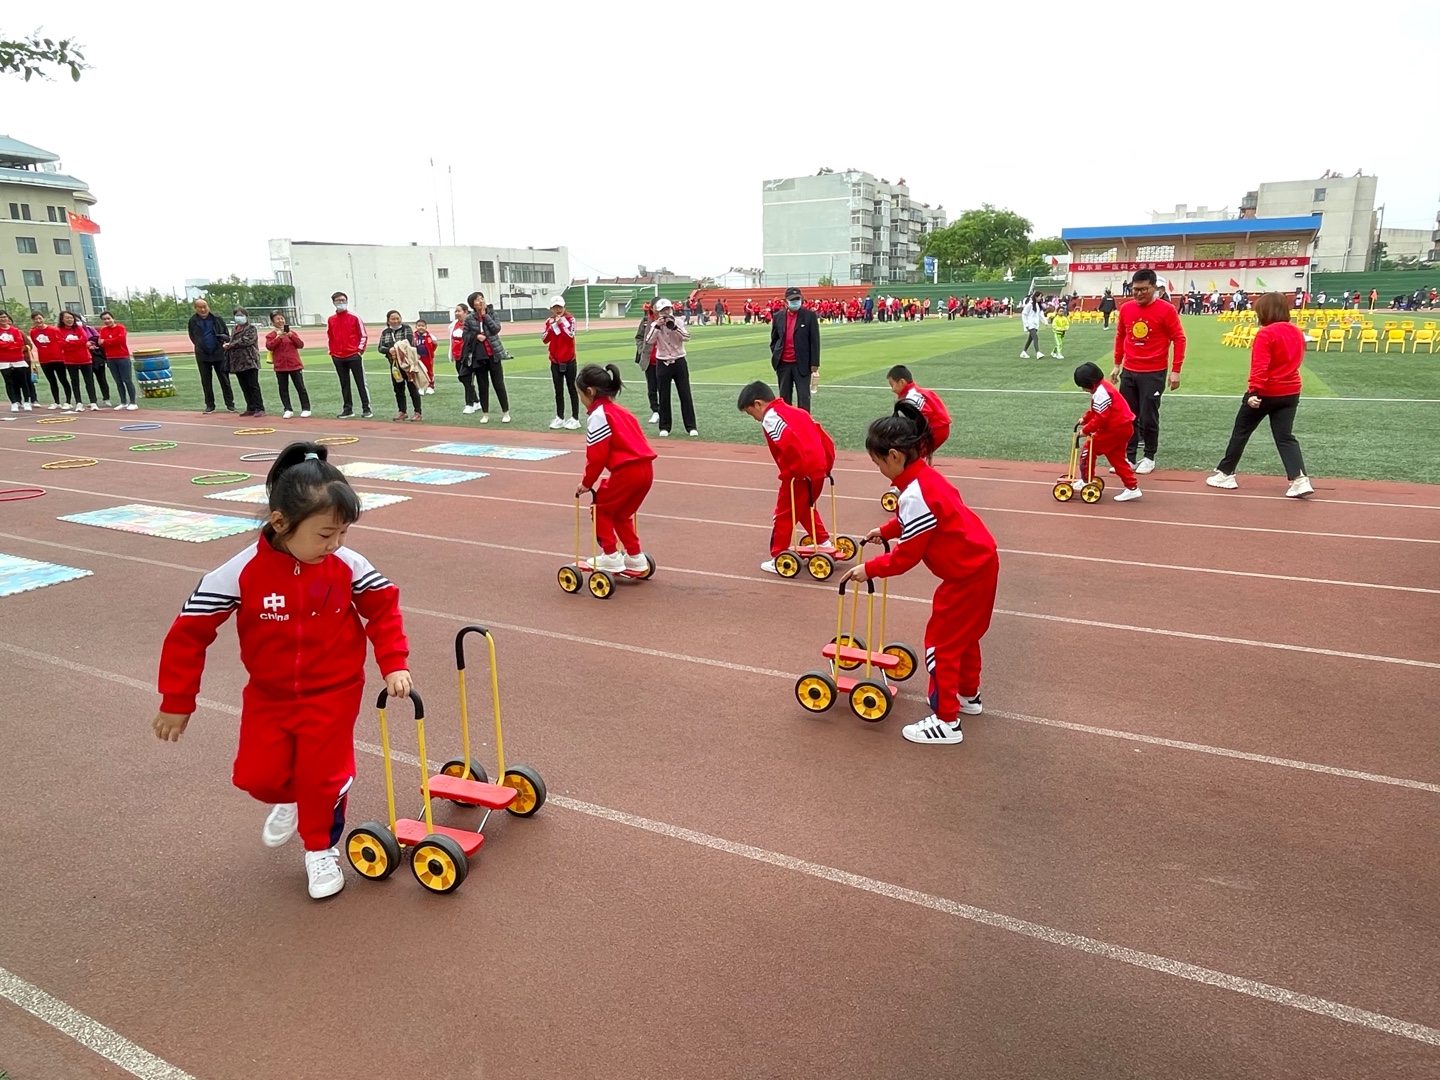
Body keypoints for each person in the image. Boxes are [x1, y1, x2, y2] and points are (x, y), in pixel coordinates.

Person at [152, 442, 411, 900]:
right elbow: (189, 632)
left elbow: (383, 609)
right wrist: (177, 700)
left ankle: (320, 849)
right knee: (259, 778)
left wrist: (393, 663)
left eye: (343, 533)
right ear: (280, 522)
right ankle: (296, 799)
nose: (335, 544)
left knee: (322, 778)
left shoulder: (347, 565)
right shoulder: (238, 572)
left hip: (335, 691)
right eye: (325, 534)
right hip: (269, 696)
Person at [839, 403, 999, 747]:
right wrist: (887, 530)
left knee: (941, 646)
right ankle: (967, 695)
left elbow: (906, 557)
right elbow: (922, 520)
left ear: (894, 456)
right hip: (980, 564)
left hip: (966, 576)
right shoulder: (925, 479)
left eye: (878, 463)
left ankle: (946, 721)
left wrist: (868, 569)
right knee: (965, 638)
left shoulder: (914, 494)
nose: (879, 469)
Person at [1206, 292, 1313, 498]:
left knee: (1241, 431)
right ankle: (1299, 479)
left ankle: (1226, 473)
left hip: (1266, 391)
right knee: (1285, 437)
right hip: (1291, 390)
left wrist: (1253, 391)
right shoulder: (1297, 332)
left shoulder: (1266, 334)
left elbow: (1260, 365)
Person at [737, 379, 834, 575]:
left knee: (784, 515)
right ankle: (822, 540)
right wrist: (828, 465)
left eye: (751, 413)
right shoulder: (799, 412)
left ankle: (778, 555)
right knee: (805, 508)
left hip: (799, 474)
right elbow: (824, 438)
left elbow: (789, 443)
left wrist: (798, 472)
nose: (754, 418)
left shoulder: (771, 418)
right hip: (818, 469)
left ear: (758, 404)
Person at [576, 363, 657, 574]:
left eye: (580, 395)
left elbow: (597, 456)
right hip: (646, 471)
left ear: (590, 392)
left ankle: (611, 555)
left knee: (600, 509)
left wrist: (587, 483)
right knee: (621, 514)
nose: (580, 399)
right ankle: (635, 556)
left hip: (627, 471)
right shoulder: (623, 412)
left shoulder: (598, 415)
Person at [1110, 268, 1185, 474]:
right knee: (1128, 416)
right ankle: (1129, 457)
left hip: (1154, 372)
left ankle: (1149, 457)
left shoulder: (1166, 310)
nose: (1139, 293)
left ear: (1155, 288)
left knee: (1149, 416)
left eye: (1144, 289)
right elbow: (1121, 336)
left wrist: (1176, 370)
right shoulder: (1126, 309)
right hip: (1129, 370)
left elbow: (1179, 338)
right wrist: (1117, 364)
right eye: (1135, 289)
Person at [1072, 362, 1141, 501]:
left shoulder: (1100, 393)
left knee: (1088, 450)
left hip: (1115, 429)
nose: (1083, 389)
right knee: (1117, 458)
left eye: (1083, 387)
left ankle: (1086, 480)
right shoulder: (1104, 386)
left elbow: (1101, 417)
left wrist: (1086, 430)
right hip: (1124, 427)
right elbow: (1097, 411)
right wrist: (1085, 419)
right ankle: (1132, 487)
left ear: (1089, 383)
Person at [646, 298, 697, 437]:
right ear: (658, 312)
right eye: (663, 310)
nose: (666, 312)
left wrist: (675, 327)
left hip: (679, 360)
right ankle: (664, 427)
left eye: (668, 309)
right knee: (664, 395)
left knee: (685, 394)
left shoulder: (679, 321)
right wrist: (657, 326)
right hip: (663, 362)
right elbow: (649, 340)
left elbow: (687, 337)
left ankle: (691, 426)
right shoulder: (654, 325)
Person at [460, 291, 509, 424]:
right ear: (473, 304)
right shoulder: (469, 318)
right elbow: (465, 335)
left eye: (482, 298)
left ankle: (506, 412)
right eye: (477, 300)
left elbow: (496, 329)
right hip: (479, 356)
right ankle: (485, 414)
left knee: (499, 384)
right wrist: (476, 336)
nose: (481, 301)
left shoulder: (492, 313)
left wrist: (485, 316)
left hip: (494, 354)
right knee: (482, 385)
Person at [768, 286, 820, 412]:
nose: (795, 302)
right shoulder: (778, 316)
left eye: (797, 299)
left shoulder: (809, 316)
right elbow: (774, 339)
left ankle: (804, 421)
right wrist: (777, 354)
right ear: (785, 301)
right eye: (792, 300)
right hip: (783, 364)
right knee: (784, 397)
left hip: (802, 363)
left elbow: (815, 341)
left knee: (804, 396)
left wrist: (814, 363)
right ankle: (786, 420)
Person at [886, 365, 951, 454]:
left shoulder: (911, 396)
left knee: (911, 454)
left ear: (902, 382)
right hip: (939, 428)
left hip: (936, 429)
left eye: (892, 385)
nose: (892, 390)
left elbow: (925, 413)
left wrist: (917, 434)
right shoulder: (917, 392)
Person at [326, 292, 372, 419]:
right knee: (344, 383)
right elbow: (330, 337)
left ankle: (366, 408)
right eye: (338, 301)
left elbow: (363, 335)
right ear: (333, 302)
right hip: (338, 356)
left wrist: (359, 350)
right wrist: (332, 352)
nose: (341, 303)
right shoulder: (331, 319)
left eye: (343, 300)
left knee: (361, 382)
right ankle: (348, 409)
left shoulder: (354, 317)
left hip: (353, 355)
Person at [187, 299, 236, 414]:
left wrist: (222, 343)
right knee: (206, 381)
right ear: (195, 308)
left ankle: (230, 404)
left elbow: (225, 333)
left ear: (208, 306)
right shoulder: (192, 321)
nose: (203, 309)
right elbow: (192, 336)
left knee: (224, 380)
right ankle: (210, 405)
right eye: (200, 307)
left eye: (205, 306)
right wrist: (201, 346)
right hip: (202, 355)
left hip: (219, 353)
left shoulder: (217, 318)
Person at [542, 295, 580, 429]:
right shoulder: (549, 321)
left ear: (564, 307)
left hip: (569, 360)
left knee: (572, 389)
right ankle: (560, 417)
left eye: (560, 307)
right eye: (555, 307)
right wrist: (552, 327)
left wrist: (561, 324)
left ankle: (575, 418)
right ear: (551, 309)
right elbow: (544, 339)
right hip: (555, 361)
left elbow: (570, 336)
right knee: (558, 390)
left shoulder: (570, 319)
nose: (558, 310)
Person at [265, 311, 311, 419]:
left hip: (294, 365)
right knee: (283, 389)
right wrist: (278, 338)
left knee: (300, 387)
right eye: (277, 319)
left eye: (282, 318)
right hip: (280, 366)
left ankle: (306, 408)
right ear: (272, 322)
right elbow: (269, 346)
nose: (280, 321)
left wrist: (291, 336)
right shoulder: (271, 335)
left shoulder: (292, 333)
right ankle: (287, 409)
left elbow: (300, 345)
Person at [224, 307, 266, 418]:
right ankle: (250, 407)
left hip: (249, 360)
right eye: (237, 315)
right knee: (244, 386)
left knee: (253, 385)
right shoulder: (234, 329)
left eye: (241, 315)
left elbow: (247, 340)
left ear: (246, 316)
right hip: (237, 362)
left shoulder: (251, 328)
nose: (239, 317)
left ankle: (259, 407)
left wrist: (231, 344)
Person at [56, 310, 100, 410]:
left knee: (89, 381)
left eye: (71, 318)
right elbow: (62, 344)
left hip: (85, 359)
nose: (70, 320)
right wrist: (76, 344)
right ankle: (79, 403)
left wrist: (71, 344)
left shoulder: (79, 328)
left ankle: (93, 402)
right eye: (67, 318)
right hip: (70, 360)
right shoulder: (58, 331)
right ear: (62, 319)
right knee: (75, 381)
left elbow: (84, 339)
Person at [97, 311, 138, 410]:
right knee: (118, 381)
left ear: (113, 318)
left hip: (123, 357)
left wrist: (106, 341)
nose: (107, 321)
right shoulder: (103, 330)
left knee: (127, 380)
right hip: (111, 358)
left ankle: (133, 402)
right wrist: (110, 341)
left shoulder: (120, 328)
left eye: (108, 318)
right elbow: (100, 342)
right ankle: (123, 402)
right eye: (104, 319)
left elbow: (121, 340)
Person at [29, 311, 69, 410]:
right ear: (33, 320)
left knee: (63, 380)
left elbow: (60, 342)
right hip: (44, 360)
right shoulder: (32, 332)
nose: (38, 321)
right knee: (52, 381)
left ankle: (68, 401)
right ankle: (56, 402)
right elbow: (36, 343)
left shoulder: (53, 329)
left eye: (40, 318)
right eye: (36, 319)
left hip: (58, 358)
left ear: (43, 318)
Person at [0, 310, 34, 412]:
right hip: (4, 360)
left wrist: (7, 346)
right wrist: (10, 344)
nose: (3, 319)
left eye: (5, 317)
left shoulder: (15, 331)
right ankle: (14, 403)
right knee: (9, 382)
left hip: (18, 359)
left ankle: (27, 402)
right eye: (1, 317)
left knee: (23, 381)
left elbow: (19, 343)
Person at [633, 301, 661, 423]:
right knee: (652, 387)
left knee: (663, 388)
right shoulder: (646, 321)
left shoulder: (667, 320)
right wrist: (641, 350)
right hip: (649, 360)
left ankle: (664, 411)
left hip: (664, 359)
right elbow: (639, 337)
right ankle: (655, 411)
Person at [412, 319, 437, 396]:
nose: (421, 327)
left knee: (429, 372)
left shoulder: (430, 336)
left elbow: (434, 345)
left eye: (422, 326)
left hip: (427, 358)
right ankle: (421, 387)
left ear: (426, 327)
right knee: (418, 372)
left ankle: (430, 386)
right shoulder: (413, 336)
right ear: (416, 327)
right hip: (417, 358)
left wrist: (431, 353)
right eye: (419, 326)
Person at [1020, 291, 1046, 358]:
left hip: (1035, 324)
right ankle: (1038, 352)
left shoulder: (1038, 305)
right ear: (1036, 297)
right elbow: (1024, 314)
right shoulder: (1030, 304)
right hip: (1030, 324)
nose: (1041, 298)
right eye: (1040, 297)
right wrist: (1026, 324)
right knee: (1035, 337)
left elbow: (1040, 315)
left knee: (1030, 339)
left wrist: (1045, 321)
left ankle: (1024, 352)